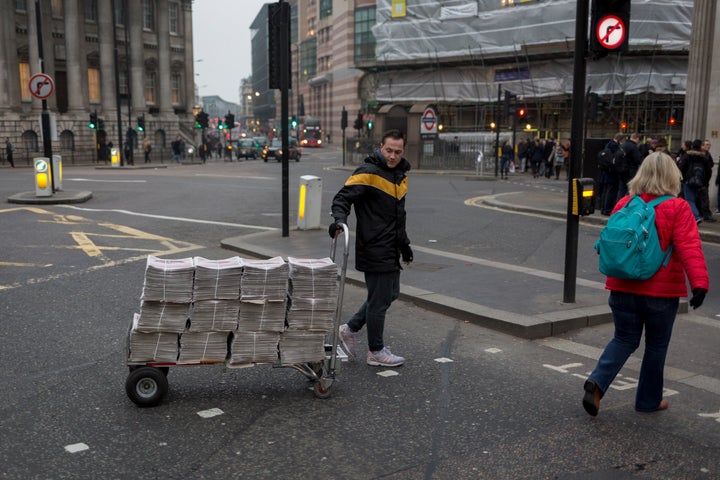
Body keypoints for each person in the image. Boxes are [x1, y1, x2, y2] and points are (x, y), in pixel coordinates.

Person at [582, 152, 709, 417]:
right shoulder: (678, 207)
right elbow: (689, 248)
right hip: (660, 294)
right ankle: (648, 401)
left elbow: (607, 244)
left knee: (623, 339)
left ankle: (597, 382)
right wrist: (699, 284)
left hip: (621, 288)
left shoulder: (625, 203)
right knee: (656, 346)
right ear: (673, 175)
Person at [330, 129, 413, 368]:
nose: (393, 156)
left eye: (398, 151)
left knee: (390, 293)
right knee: (379, 301)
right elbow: (342, 198)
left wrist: (405, 246)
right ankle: (375, 351)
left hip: (390, 247)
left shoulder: (400, 176)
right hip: (374, 245)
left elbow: (399, 216)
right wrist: (339, 220)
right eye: (389, 150)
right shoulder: (368, 173)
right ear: (380, 147)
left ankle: (349, 329)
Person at [678, 139, 706, 223]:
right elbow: (708, 171)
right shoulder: (703, 157)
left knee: (689, 199)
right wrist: (704, 182)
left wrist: (681, 178)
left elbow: (681, 167)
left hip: (688, 180)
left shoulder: (687, 155)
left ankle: (696, 216)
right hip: (699, 181)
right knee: (695, 199)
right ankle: (693, 215)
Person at [599, 133, 626, 215]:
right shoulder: (614, 146)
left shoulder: (608, 144)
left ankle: (603, 209)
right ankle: (608, 209)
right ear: (620, 139)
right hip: (612, 173)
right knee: (611, 191)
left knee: (606, 191)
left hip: (605, 172)